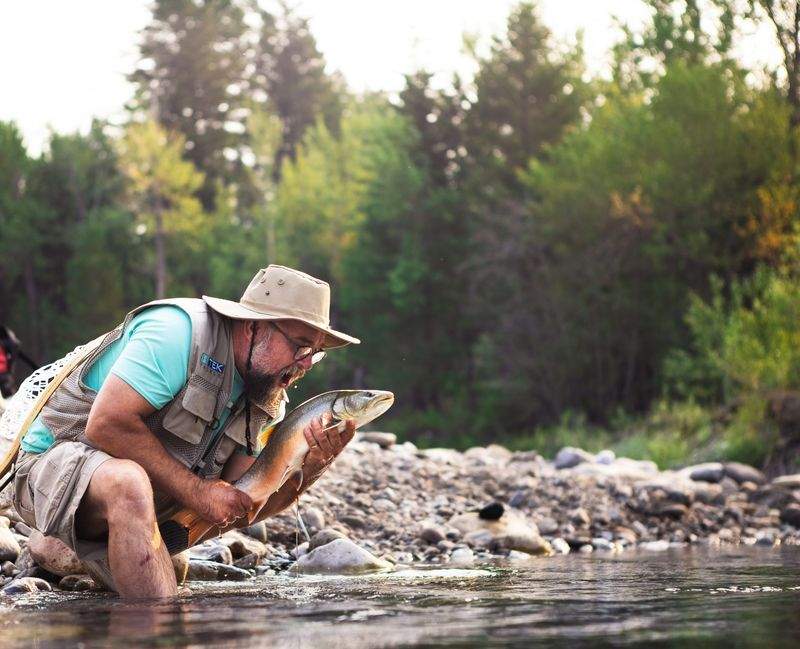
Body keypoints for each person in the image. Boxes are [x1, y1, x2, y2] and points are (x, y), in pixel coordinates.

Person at [12, 265, 360, 598]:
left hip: (140, 498)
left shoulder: (269, 397)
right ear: (254, 326)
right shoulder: (177, 332)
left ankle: (70, 548)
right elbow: (106, 424)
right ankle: (160, 630)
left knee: (168, 569)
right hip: (49, 468)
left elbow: (245, 505)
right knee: (127, 483)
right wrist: (197, 492)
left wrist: (314, 465)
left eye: (315, 354)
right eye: (300, 346)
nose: (304, 364)